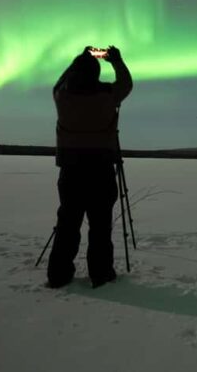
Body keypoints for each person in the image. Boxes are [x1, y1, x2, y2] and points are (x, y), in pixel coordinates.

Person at [47, 46, 133, 288]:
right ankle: (101, 273)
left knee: (67, 224)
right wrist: (116, 60)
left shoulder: (62, 97)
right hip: (100, 170)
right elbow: (126, 83)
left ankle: (58, 275)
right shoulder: (108, 96)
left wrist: (81, 58)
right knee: (100, 226)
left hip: (71, 171)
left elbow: (59, 83)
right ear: (96, 74)